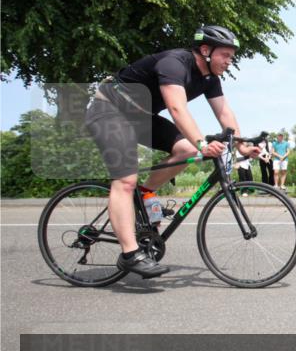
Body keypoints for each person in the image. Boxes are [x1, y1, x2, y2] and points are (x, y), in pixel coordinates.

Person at [83, 25, 259, 278]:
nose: (229, 62)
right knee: (125, 179)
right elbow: (177, 110)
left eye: (232, 57)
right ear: (206, 50)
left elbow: (223, 112)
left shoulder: (210, 79)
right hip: (109, 110)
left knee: (185, 150)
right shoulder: (174, 64)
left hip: (139, 116)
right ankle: (130, 254)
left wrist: (240, 142)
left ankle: (144, 195)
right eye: (226, 55)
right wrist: (202, 143)